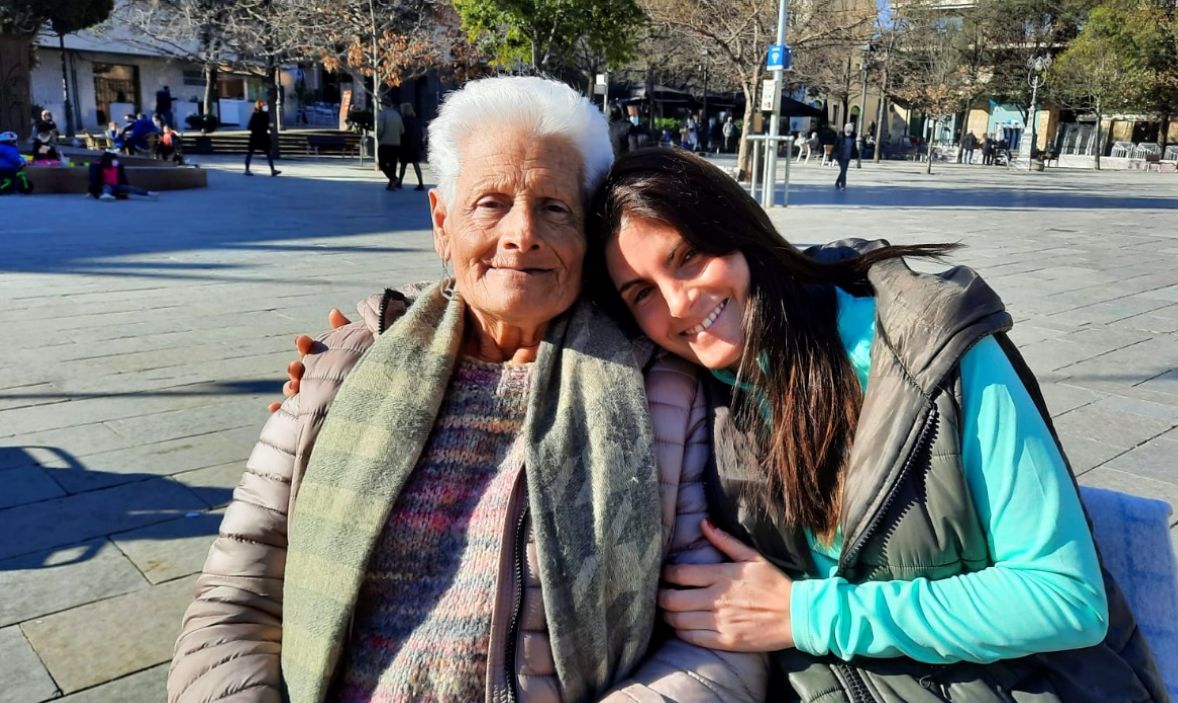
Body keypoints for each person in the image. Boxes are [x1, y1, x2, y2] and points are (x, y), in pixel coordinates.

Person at [168, 76, 766, 703]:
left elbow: (716, 638)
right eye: (490, 203)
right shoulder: (345, 367)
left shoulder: (663, 390)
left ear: (590, 236)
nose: (522, 234)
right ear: (442, 222)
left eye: (555, 207)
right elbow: (234, 599)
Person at [580, 147, 1168, 702]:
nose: (678, 303)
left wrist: (806, 615)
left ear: (743, 234)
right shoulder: (702, 398)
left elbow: (1065, 596)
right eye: (642, 294)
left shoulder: (935, 352)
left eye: (687, 257)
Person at [87, 150, 157, 200]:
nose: (115, 161)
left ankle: (147, 193)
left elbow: (123, 178)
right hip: (104, 185)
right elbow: (94, 179)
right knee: (107, 187)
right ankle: (106, 194)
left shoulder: (117, 167)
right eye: (113, 160)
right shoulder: (99, 167)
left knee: (130, 188)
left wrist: (124, 194)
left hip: (116, 186)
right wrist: (92, 192)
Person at [244, 100, 280, 177]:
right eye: (264, 105)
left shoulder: (255, 114)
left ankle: (247, 169)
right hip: (263, 136)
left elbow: (250, 126)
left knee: (250, 153)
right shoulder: (264, 115)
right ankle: (272, 169)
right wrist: (269, 126)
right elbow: (268, 125)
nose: (265, 106)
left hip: (255, 136)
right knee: (268, 153)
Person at [396, 102, 425, 190]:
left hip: (405, 145)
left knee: (403, 165)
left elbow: (400, 133)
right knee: (416, 164)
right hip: (415, 145)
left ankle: (400, 182)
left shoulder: (402, 121)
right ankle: (421, 183)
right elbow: (420, 134)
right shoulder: (416, 121)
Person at [376, 99, 404, 190]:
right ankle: (391, 184)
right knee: (393, 164)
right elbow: (402, 130)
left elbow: (380, 129)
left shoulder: (382, 115)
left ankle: (394, 179)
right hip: (396, 143)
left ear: (384, 106)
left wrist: (379, 137)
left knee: (382, 164)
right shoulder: (397, 115)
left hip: (385, 143)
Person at [0, 131, 33, 195]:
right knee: (13, 179)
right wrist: (21, 163)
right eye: (15, 141)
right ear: (10, 141)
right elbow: (15, 158)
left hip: (2, 168)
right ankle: (9, 188)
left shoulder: (1, 147)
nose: (16, 142)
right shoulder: (10, 149)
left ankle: (7, 187)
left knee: (6, 178)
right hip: (7, 168)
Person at [833, 122, 856, 190]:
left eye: (850, 128)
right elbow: (835, 147)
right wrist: (833, 156)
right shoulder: (840, 137)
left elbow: (853, 148)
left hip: (847, 157)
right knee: (843, 170)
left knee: (844, 171)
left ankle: (837, 182)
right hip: (840, 157)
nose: (848, 130)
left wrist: (855, 155)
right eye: (847, 128)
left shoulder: (852, 137)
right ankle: (843, 185)